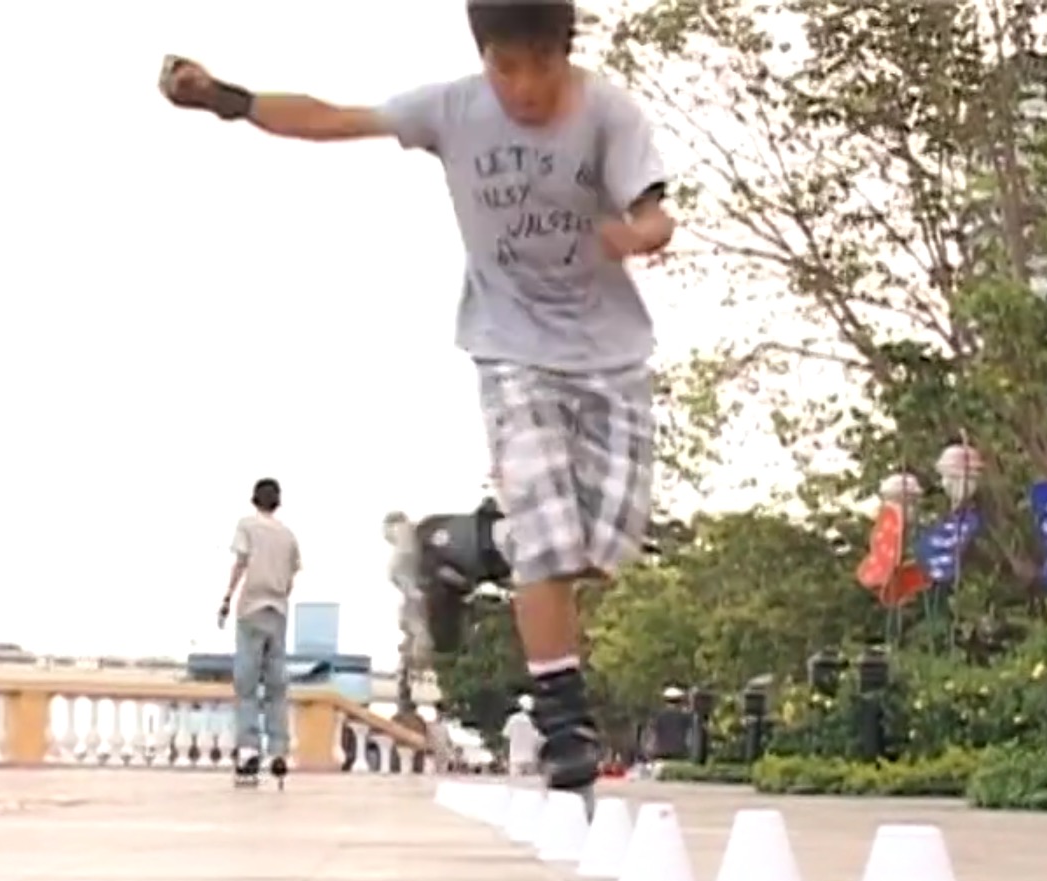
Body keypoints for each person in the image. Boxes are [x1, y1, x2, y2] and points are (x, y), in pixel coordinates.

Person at [160, 0, 674, 800]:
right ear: (483, 57)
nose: (525, 87)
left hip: (611, 357)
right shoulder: (452, 108)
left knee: (602, 547)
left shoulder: (609, 112)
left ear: (566, 51)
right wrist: (229, 99)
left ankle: (462, 547)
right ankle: (565, 720)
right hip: (510, 349)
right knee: (546, 539)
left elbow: (655, 212)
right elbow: (335, 119)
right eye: (506, 68)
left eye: (541, 66)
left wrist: (639, 234)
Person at [220, 478, 302, 783]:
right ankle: (279, 751)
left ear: (254, 500)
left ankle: (249, 749)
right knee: (277, 685)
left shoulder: (247, 526)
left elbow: (240, 564)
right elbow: (291, 579)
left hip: (251, 610)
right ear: (277, 503)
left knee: (247, 684)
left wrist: (227, 598)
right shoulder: (288, 536)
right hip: (278, 612)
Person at [502, 693, 542, 776]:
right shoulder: (533, 721)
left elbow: (506, 738)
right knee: (530, 783)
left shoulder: (512, 719)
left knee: (516, 783)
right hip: (531, 758)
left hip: (515, 759)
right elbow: (539, 740)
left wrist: (505, 757)